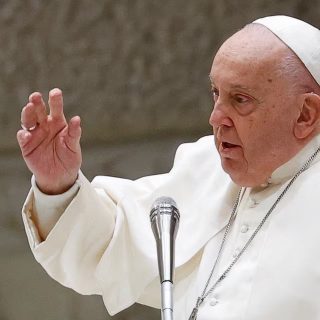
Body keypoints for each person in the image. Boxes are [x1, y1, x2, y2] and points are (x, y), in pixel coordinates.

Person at [17, 15, 320, 320]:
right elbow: (113, 244)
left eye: (240, 100)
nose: (216, 118)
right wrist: (58, 184)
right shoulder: (207, 166)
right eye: (216, 93)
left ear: (306, 114)